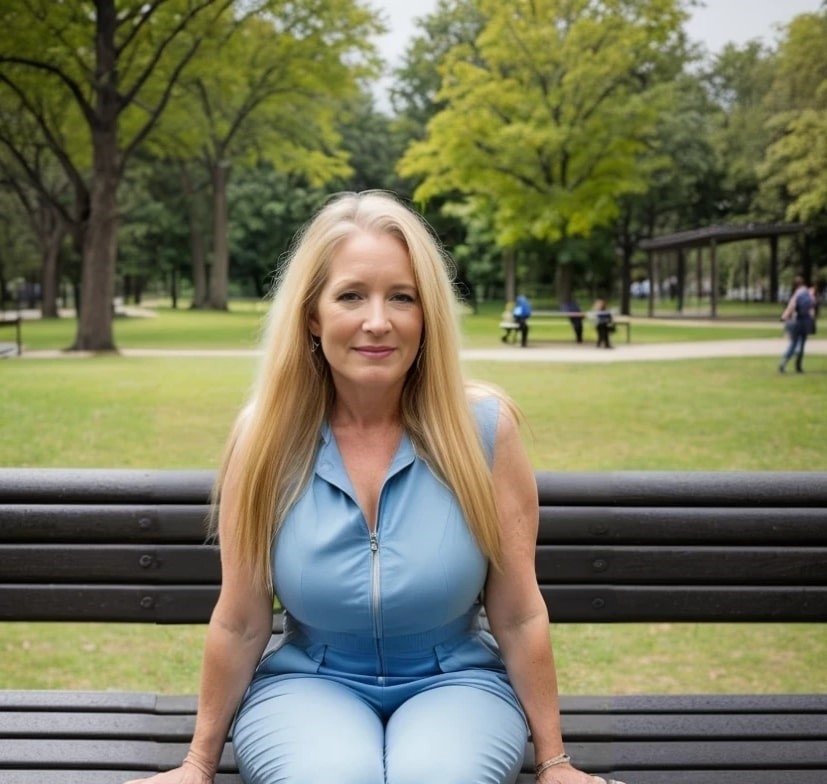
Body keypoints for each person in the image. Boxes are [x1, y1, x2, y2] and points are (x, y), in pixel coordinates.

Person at [124, 192, 624, 784]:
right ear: (313, 316)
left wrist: (555, 763)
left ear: (427, 315)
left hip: (456, 683)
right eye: (351, 295)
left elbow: (516, 613)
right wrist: (197, 764)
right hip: (309, 684)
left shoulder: (485, 430)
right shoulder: (264, 438)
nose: (378, 321)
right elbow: (241, 619)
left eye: (402, 297)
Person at [779, 275, 815, 373]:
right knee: (802, 344)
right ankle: (798, 366)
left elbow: (791, 308)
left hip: (796, 321)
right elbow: (812, 308)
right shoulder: (809, 293)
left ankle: (783, 363)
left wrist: (784, 317)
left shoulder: (797, 294)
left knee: (793, 343)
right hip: (806, 321)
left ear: (795, 285)